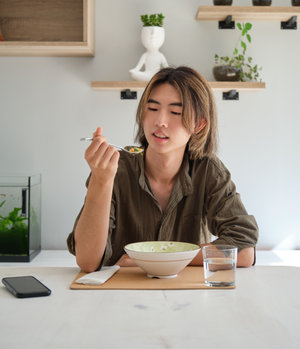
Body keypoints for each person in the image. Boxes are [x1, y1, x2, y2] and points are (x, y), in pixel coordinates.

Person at [67, 66, 258, 272]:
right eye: (152, 108)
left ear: (199, 125)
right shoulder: (115, 168)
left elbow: (244, 251)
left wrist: (156, 258)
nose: (160, 122)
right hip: (120, 293)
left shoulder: (208, 170)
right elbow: (87, 261)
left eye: (176, 112)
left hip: (187, 296)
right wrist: (101, 180)